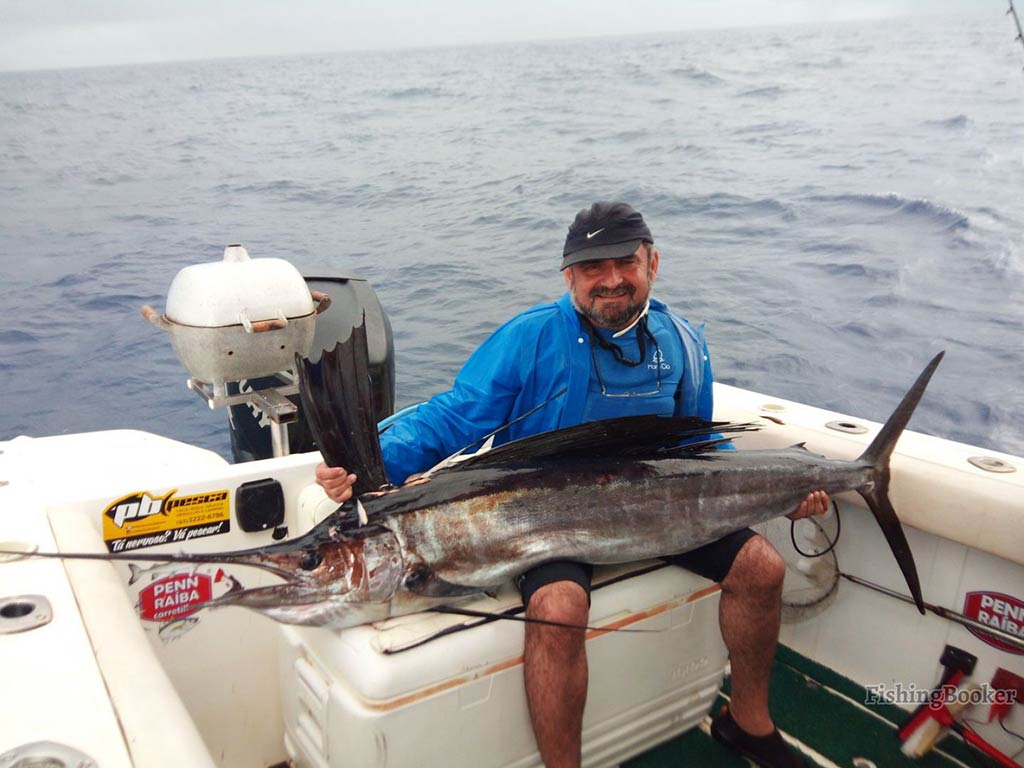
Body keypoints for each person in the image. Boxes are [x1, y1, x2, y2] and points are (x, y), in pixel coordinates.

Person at [316, 201, 829, 768]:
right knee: (559, 607)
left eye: (625, 264)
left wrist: (786, 486)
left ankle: (749, 724)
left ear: (653, 263)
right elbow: (453, 417)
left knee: (763, 568)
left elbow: (698, 447)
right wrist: (367, 464)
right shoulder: (531, 337)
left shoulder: (683, 342)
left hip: (659, 507)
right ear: (570, 278)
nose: (611, 281)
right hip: (549, 520)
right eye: (592, 269)